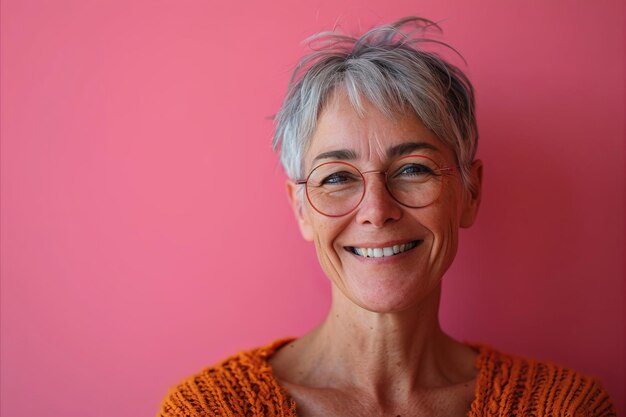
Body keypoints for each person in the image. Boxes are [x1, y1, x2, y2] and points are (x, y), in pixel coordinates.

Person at [158, 17, 616, 417]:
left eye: (413, 169)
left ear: (469, 192)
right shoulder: (212, 409)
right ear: (301, 207)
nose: (377, 211)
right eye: (337, 177)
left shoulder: (563, 407)